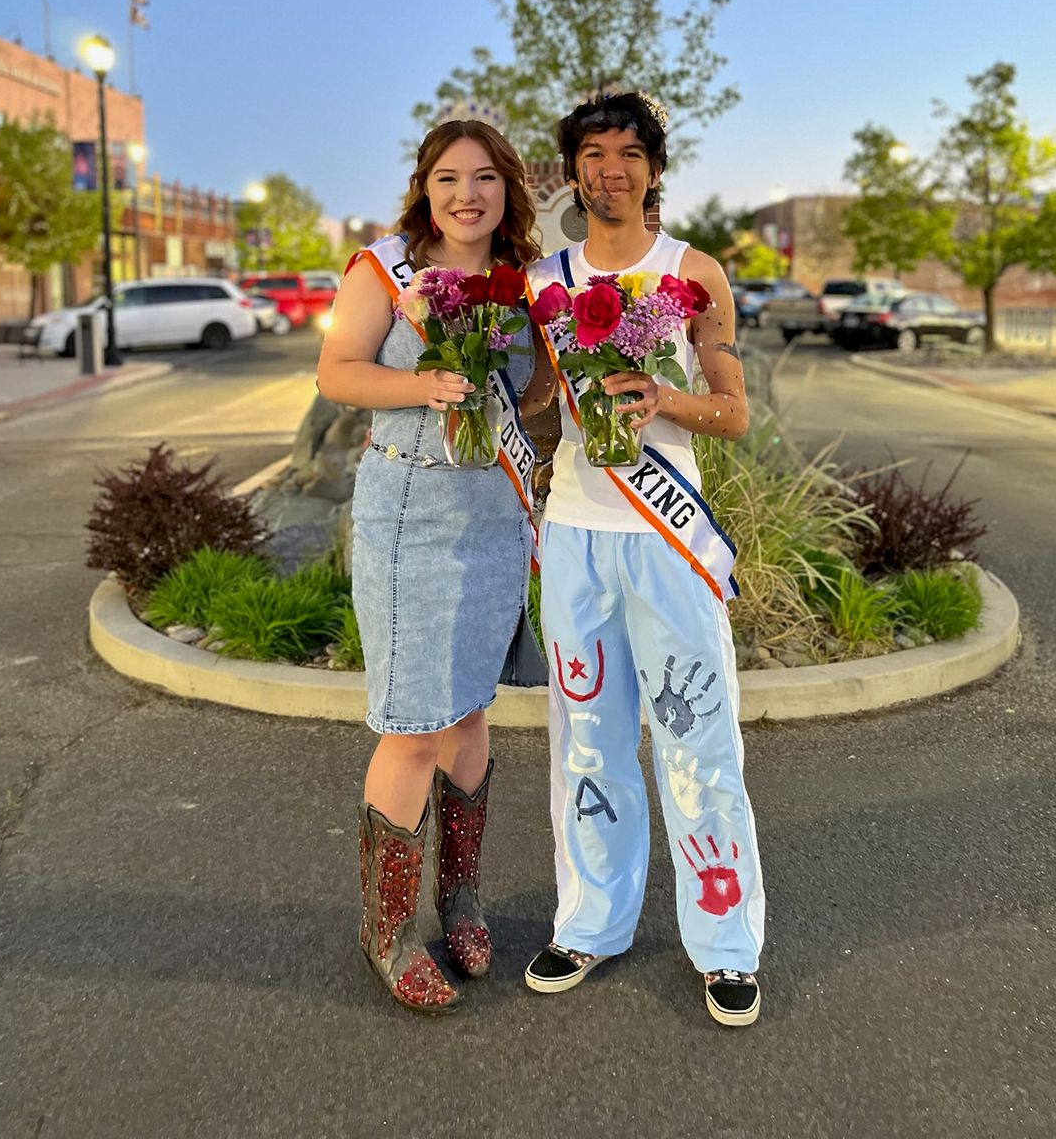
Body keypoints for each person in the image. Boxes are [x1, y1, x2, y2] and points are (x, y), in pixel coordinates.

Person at [523, 92, 765, 1027]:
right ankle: (590, 922)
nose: (611, 169)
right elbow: (536, 401)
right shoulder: (545, 280)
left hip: (668, 541)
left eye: (630, 153)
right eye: (594, 153)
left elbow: (733, 412)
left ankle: (725, 942)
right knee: (587, 742)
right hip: (577, 533)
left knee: (698, 742)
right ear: (574, 172)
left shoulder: (693, 272)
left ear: (654, 169)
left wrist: (662, 399)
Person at [317, 120, 547, 1015]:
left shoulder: (523, 280)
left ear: (506, 189)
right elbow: (338, 372)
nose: (466, 194)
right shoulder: (385, 270)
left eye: (484, 177)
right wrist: (424, 385)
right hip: (409, 512)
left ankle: (460, 899)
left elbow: (534, 392)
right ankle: (388, 928)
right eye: (448, 177)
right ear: (424, 187)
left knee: (470, 711)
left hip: (493, 514)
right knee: (414, 724)